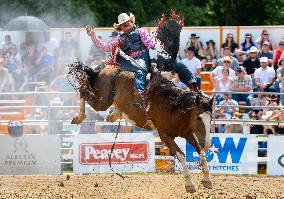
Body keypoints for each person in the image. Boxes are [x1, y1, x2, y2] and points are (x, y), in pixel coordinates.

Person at [86, 12, 198, 97]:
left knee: (175, 64)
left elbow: (151, 45)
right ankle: (138, 94)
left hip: (149, 55)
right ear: (120, 28)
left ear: (131, 22)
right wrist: (93, 36)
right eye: (123, 24)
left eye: (127, 23)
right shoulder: (119, 40)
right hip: (136, 61)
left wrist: (153, 62)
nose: (126, 25)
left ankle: (192, 83)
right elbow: (105, 47)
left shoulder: (140, 31)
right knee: (140, 69)